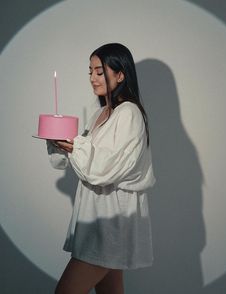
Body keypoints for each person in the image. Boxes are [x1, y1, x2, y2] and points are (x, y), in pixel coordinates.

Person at [47, 43, 156, 294]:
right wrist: (61, 141)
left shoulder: (128, 113)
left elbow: (106, 168)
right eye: (90, 71)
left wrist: (76, 146)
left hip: (111, 222)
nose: (93, 78)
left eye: (99, 71)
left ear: (120, 74)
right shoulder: (100, 114)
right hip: (97, 218)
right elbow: (86, 159)